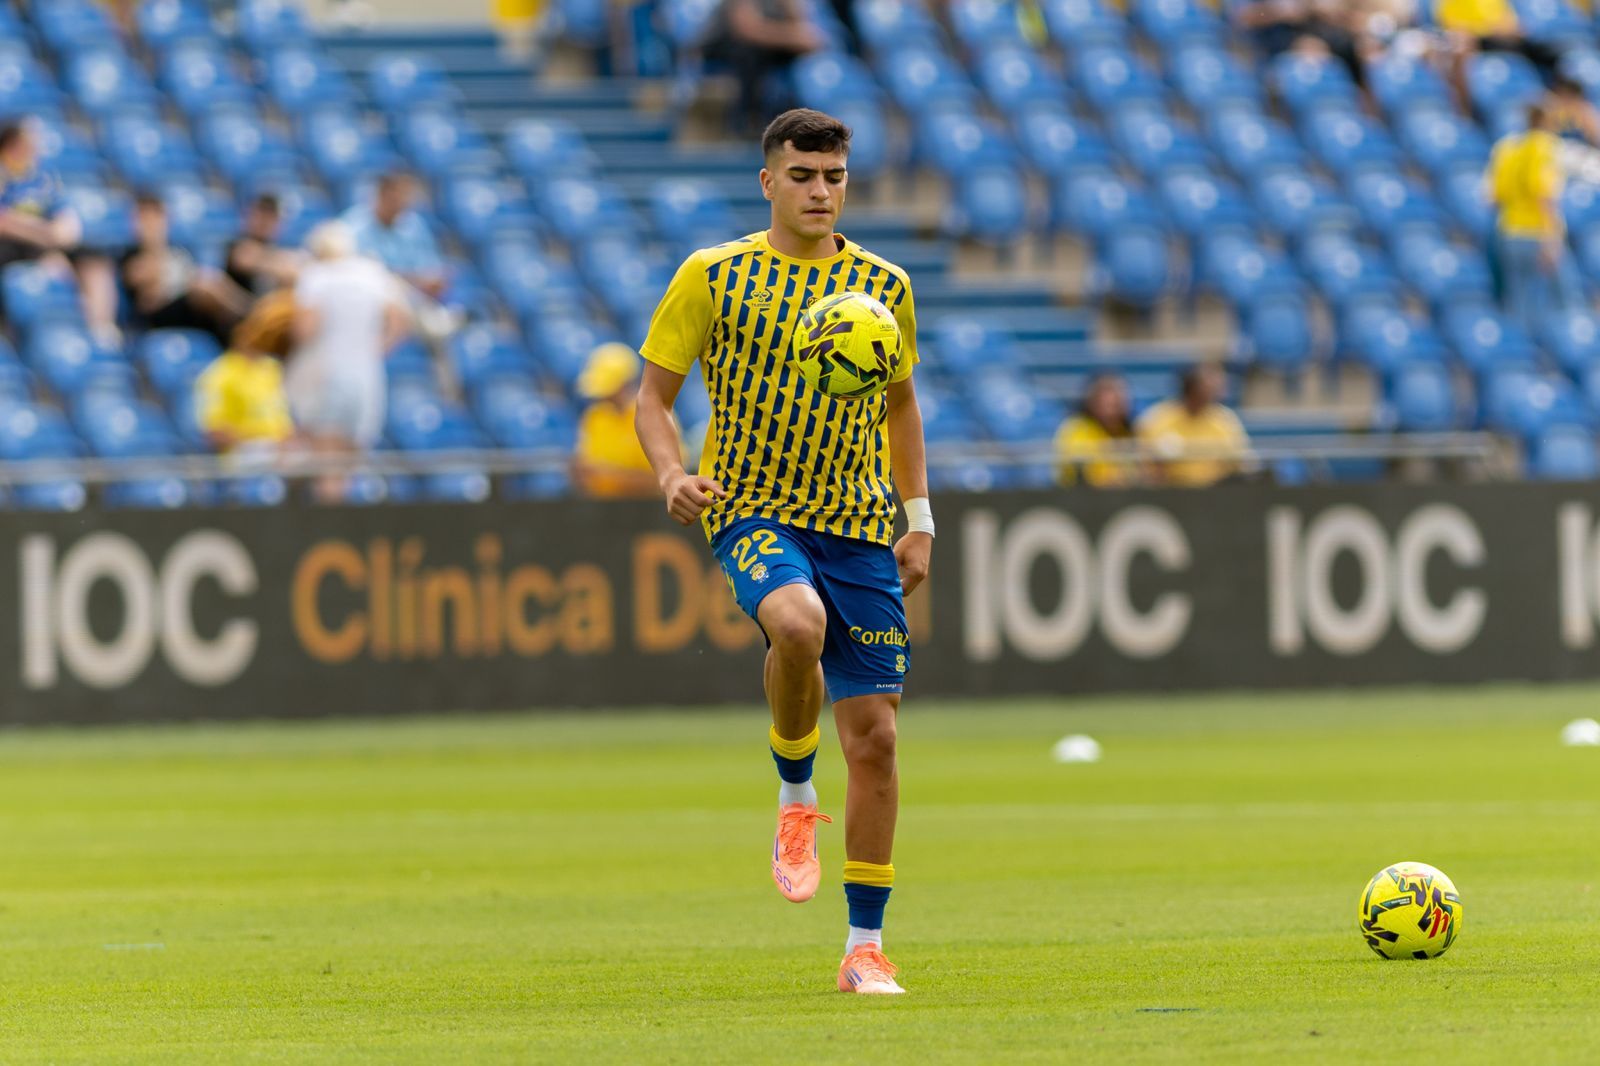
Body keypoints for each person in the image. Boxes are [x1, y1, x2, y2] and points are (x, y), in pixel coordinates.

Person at [634, 109, 931, 995]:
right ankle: (796, 788)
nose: (820, 191)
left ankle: (863, 949)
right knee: (794, 624)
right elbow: (650, 398)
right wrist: (668, 474)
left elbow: (902, 405)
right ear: (769, 181)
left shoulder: (884, 286)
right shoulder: (715, 276)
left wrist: (917, 516)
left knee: (876, 739)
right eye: (803, 175)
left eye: (834, 176)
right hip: (752, 508)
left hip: (858, 523)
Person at [289, 221, 409, 502]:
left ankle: (330, 534)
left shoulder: (317, 276)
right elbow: (400, 321)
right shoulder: (372, 273)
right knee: (349, 469)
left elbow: (305, 330)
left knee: (327, 467)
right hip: (367, 381)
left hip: (328, 378)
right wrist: (373, 350)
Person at [0, 118, 120, 342]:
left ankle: (101, 329)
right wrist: (42, 234)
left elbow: (65, 220)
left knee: (94, 258)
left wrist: (56, 234)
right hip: (13, 243)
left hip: (41, 240)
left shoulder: (41, 177)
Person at [1488, 103, 1580, 338]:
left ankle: (1522, 362)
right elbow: (1544, 195)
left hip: (1509, 233)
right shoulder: (1544, 146)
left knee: (1520, 304)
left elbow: (1493, 197)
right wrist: (1552, 240)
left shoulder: (1506, 148)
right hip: (1537, 233)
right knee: (1567, 301)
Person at [120, 194, 252, 344]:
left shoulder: (178, 251)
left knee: (212, 280)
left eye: (156, 216)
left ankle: (252, 314)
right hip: (159, 317)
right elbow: (149, 296)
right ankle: (253, 317)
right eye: (145, 217)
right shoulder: (130, 256)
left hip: (190, 309)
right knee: (205, 287)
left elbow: (190, 274)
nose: (151, 223)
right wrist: (153, 244)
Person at [194, 290, 295, 457]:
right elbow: (215, 433)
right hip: (243, 454)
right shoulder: (220, 374)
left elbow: (288, 421)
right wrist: (263, 444)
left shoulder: (272, 367)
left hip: (282, 450)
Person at [703, 0, 823, 133]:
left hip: (764, 51)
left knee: (799, 56)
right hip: (720, 55)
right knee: (748, 52)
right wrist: (793, 38)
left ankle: (799, 121)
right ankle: (749, 121)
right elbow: (747, 28)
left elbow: (805, 29)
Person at [573, 342, 666, 498]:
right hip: (603, 511)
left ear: (624, 384)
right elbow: (585, 469)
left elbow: (663, 480)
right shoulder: (595, 416)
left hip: (647, 512)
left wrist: (607, 474)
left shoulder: (654, 416)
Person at [1136, 363, 1252, 487]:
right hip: (1171, 491)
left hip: (1216, 492)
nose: (1212, 392)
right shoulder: (1157, 419)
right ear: (1190, 389)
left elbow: (1243, 462)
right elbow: (1144, 465)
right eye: (1206, 387)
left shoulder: (1225, 420)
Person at [342, 171, 445, 301]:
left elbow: (430, 267)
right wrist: (411, 279)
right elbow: (356, 274)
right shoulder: (354, 226)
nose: (404, 203)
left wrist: (433, 280)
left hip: (414, 302)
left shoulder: (414, 224)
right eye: (398, 196)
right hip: (370, 301)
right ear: (383, 195)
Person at [1055, 373, 1138, 488]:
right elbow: (1087, 475)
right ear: (1092, 401)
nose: (1116, 399)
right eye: (1108, 392)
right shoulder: (1077, 429)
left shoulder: (1129, 431)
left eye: (1120, 394)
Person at [225, 194, 301, 296]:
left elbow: (293, 274)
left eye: (271, 217)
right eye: (261, 214)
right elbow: (244, 260)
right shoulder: (236, 244)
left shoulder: (281, 247)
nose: (265, 222)